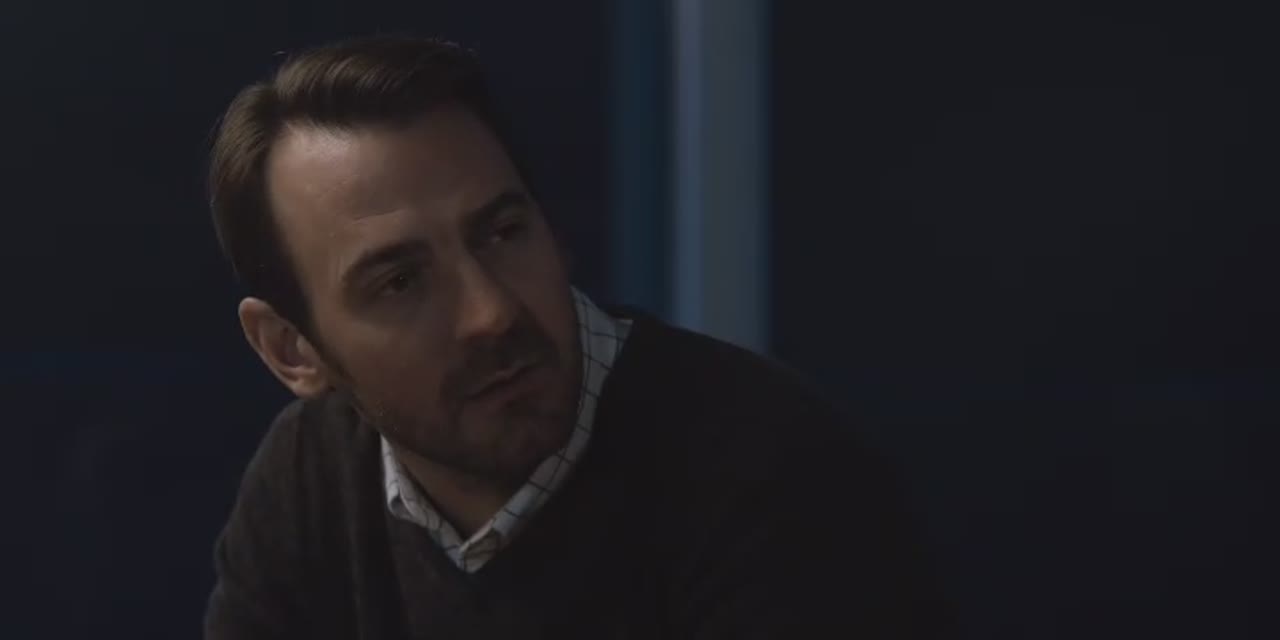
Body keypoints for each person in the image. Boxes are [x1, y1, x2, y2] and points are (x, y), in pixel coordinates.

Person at [204, 34, 945, 639]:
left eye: (502, 232)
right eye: (400, 282)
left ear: (552, 231)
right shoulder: (308, 479)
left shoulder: (770, 473)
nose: (490, 314)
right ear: (291, 350)